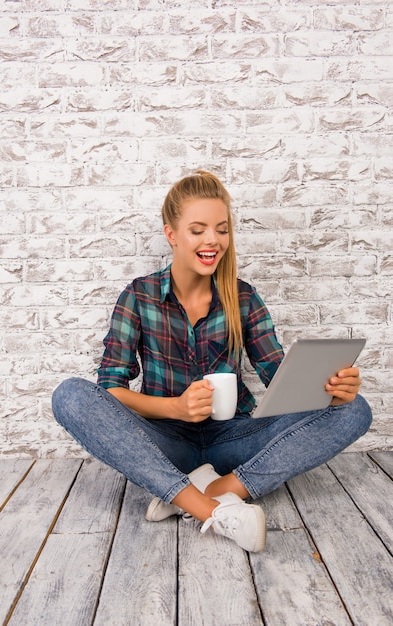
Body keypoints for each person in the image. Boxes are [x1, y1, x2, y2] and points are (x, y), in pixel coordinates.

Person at [52, 170, 372, 553]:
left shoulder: (244, 298)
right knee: (70, 395)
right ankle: (212, 511)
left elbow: (280, 379)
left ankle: (212, 489)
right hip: (165, 440)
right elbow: (111, 390)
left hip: (233, 439)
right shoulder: (139, 296)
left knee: (357, 410)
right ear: (172, 234)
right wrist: (175, 407)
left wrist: (331, 393)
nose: (212, 240)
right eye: (198, 229)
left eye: (221, 230)